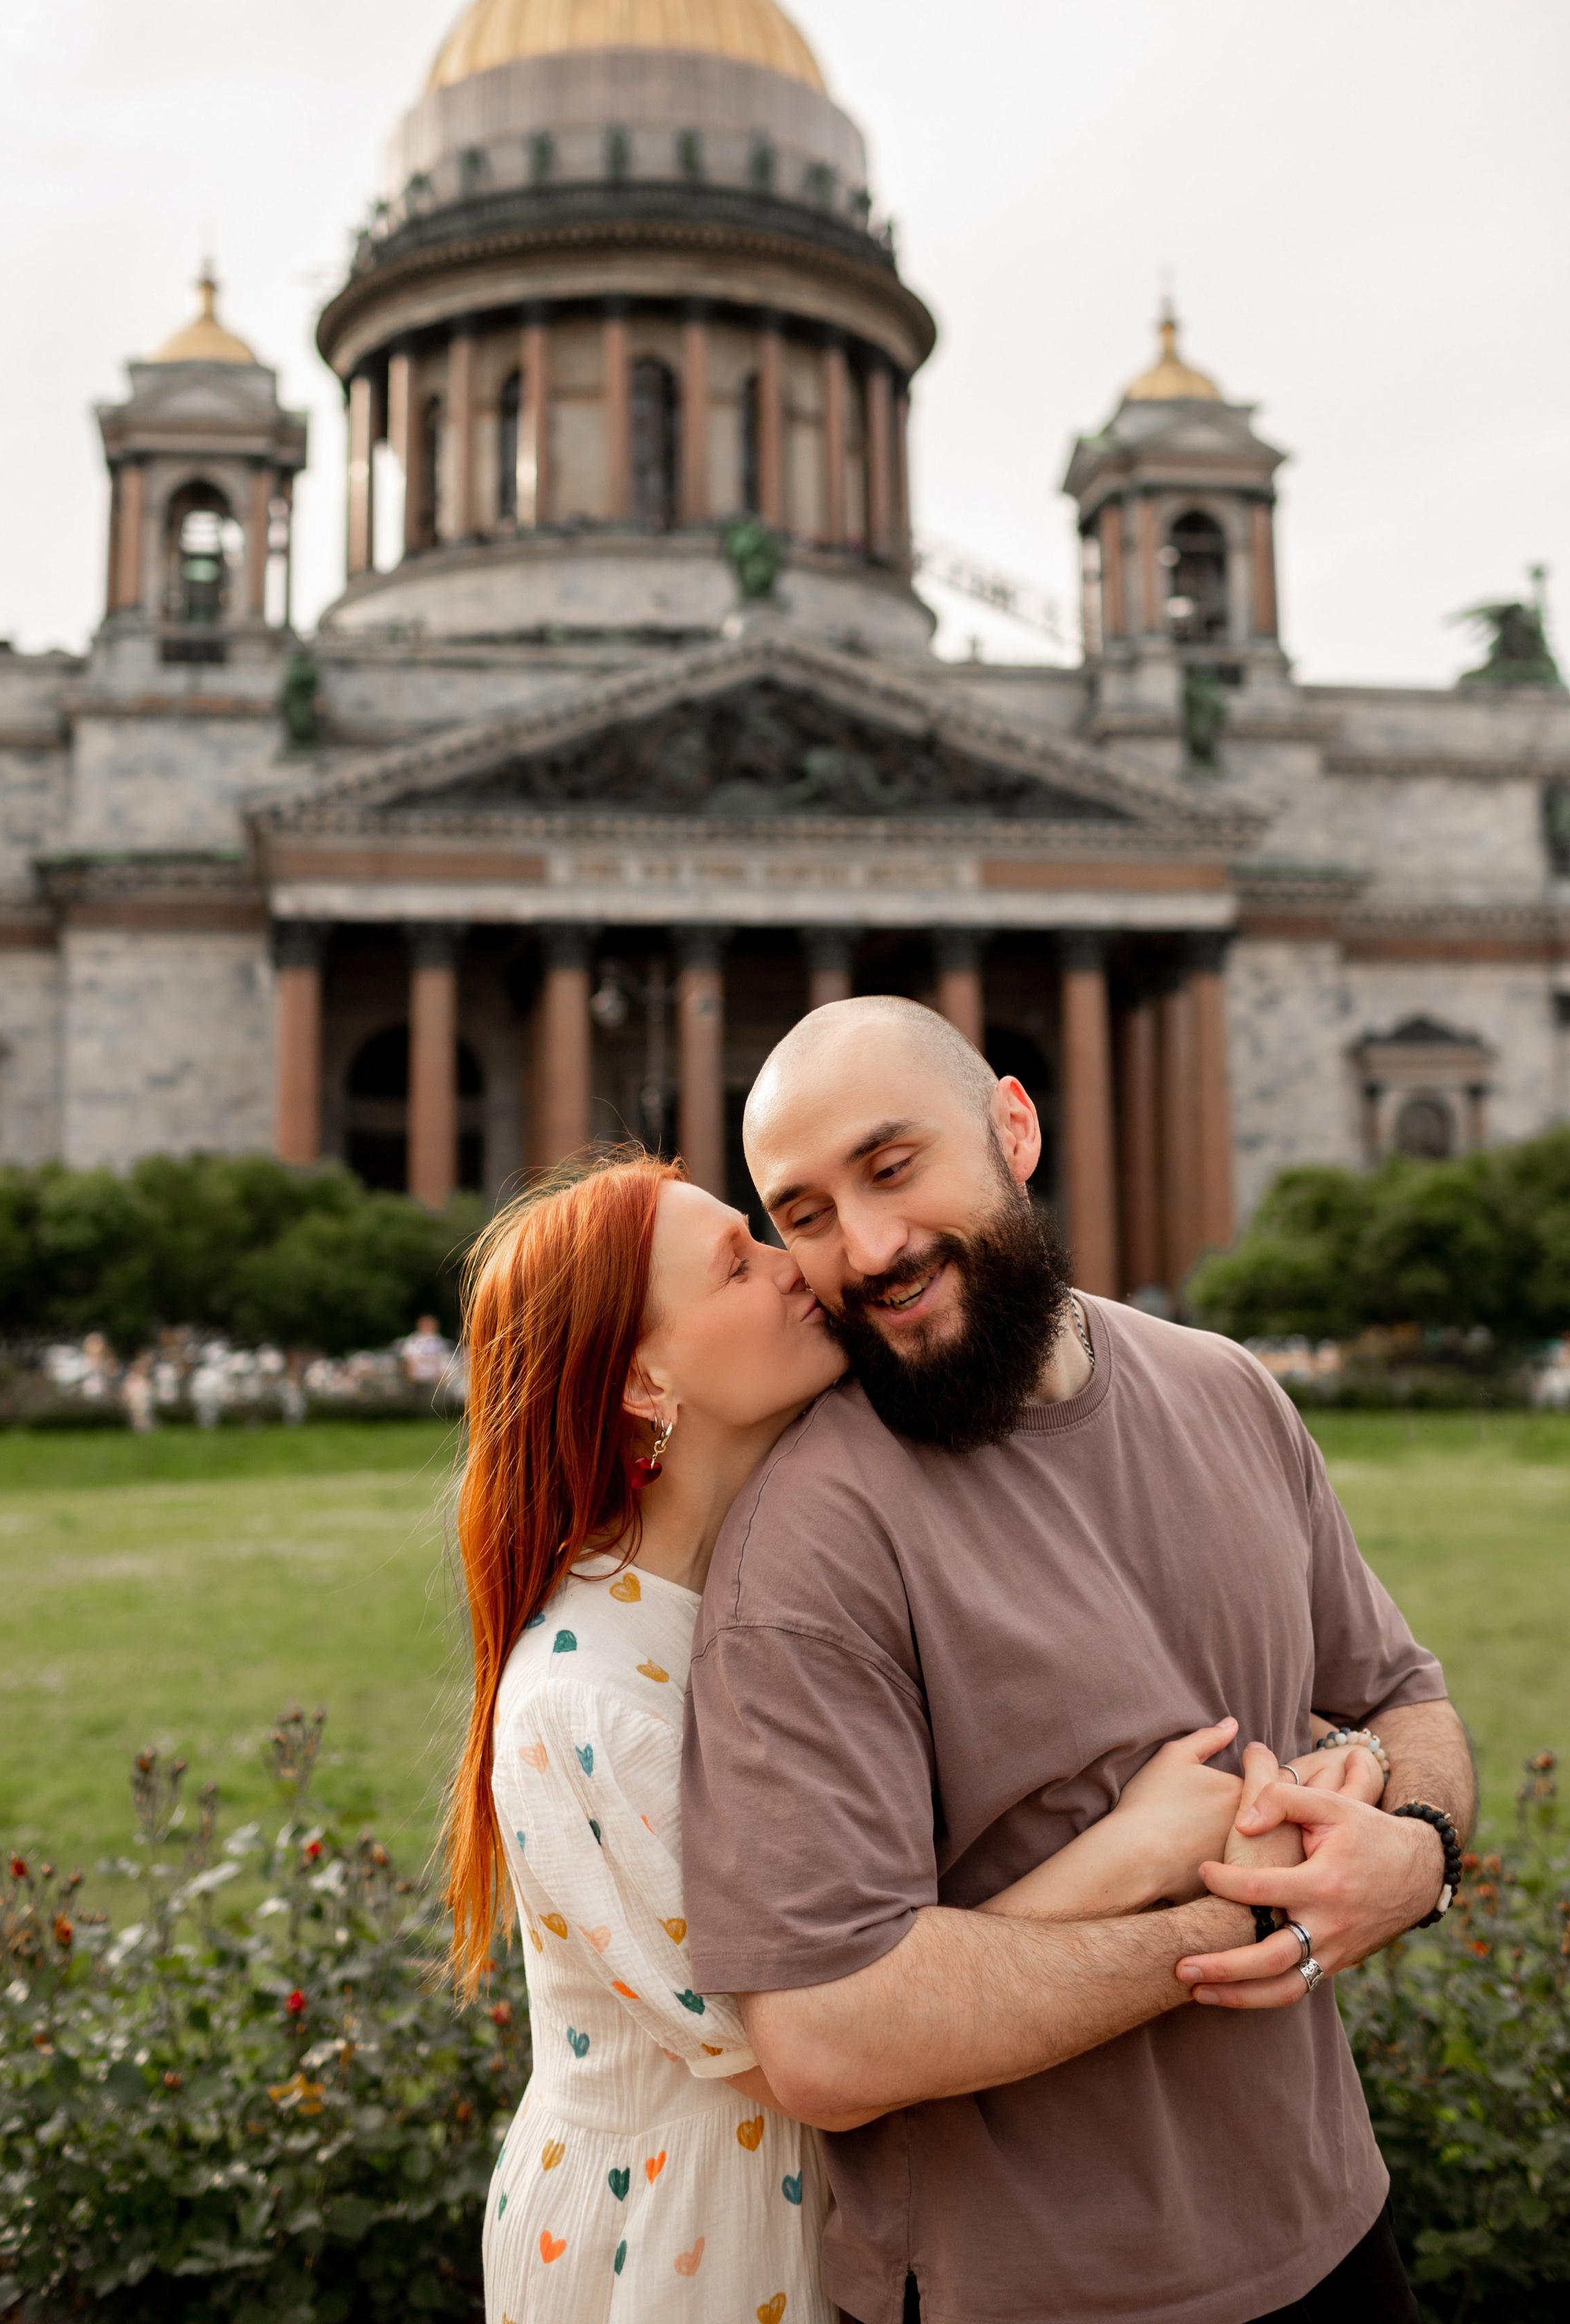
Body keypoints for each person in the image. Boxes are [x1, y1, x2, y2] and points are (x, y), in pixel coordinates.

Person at [444, 1154, 1369, 2323]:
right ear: (643, 1379)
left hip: (853, 2220)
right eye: (739, 1265)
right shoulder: (587, 1702)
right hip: (682, 2245)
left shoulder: (765, 1580)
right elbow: (830, 2035)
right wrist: (1139, 1854)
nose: (799, 1268)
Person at [679, 995, 1473, 2324]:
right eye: (804, 1215)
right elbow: (822, 2039)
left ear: (1013, 1126)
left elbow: (1404, 1696)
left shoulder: (1225, 1389)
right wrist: (1247, 1918)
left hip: (1335, 2233)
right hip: (1020, 2295)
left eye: (892, 1167)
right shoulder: (810, 1548)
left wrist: (1418, 1852)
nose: (867, 1249)